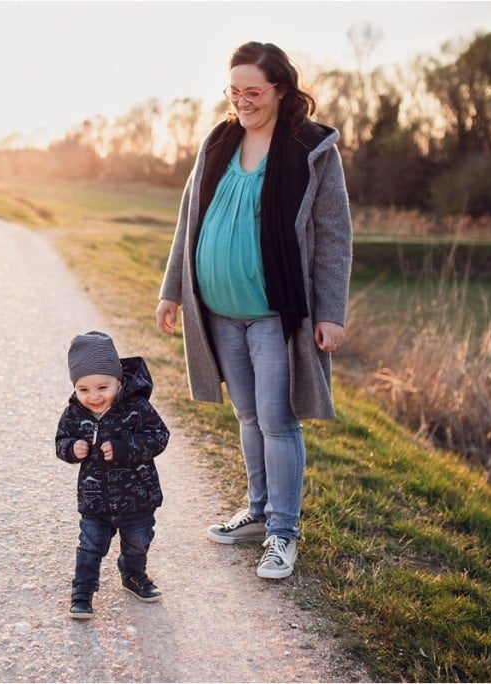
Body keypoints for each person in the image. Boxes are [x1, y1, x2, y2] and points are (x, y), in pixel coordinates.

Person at [156, 41, 352, 580]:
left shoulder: (312, 149)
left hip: (275, 312)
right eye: (234, 91)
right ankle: (258, 512)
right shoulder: (219, 141)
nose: (242, 101)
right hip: (218, 311)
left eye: (253, 91)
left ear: (281, 89)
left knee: (277, 419)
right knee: (247, 416)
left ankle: (283, 534)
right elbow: (188, 219)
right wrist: (171, 288)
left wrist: (330, 312)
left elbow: (333, 236)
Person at [55, 331, 170, 618]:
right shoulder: (74, 413)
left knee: (138, 543)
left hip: (137, 498)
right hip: (95, 501)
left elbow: (159, 436)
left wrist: (125, 448)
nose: (93, 397)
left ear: (119, 382)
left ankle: (133, 576)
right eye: (83, 390)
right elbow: (61, 441)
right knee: (90, 546)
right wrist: (72, 448)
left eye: (102, 387)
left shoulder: (137, 408)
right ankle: (82, 590)